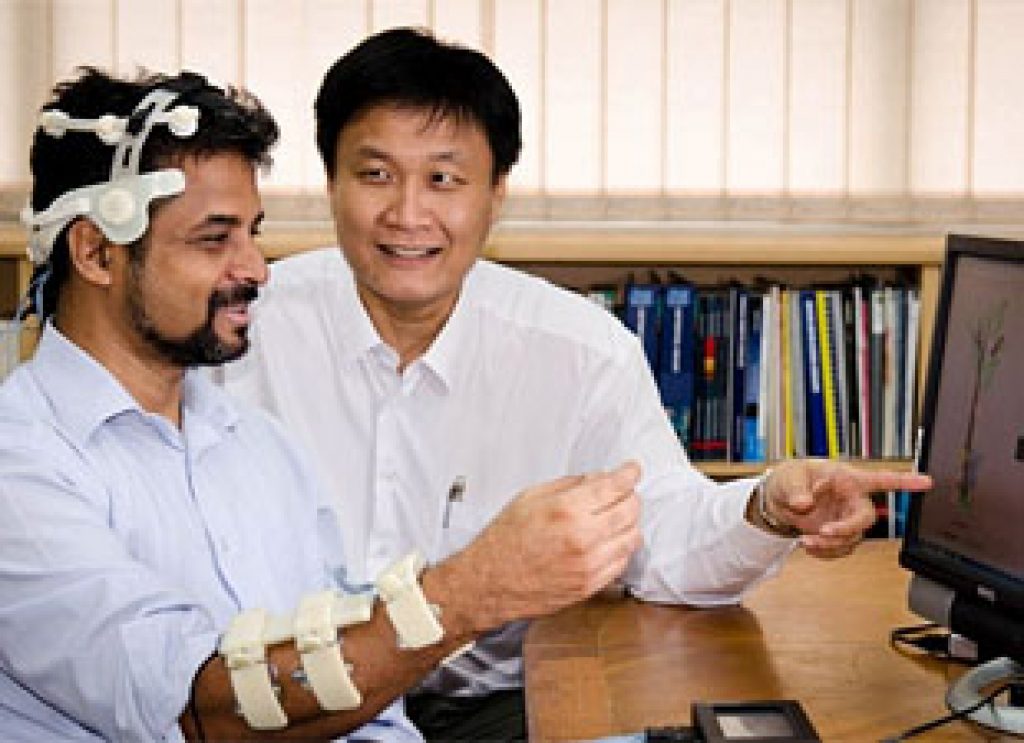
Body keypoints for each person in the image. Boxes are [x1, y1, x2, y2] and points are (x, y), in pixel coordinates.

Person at [213, 26, 933, 743]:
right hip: (286, 713)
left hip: (490, 709)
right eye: (375, 175)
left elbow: (667, 542)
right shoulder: (236, 333)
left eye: (443, 180)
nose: (407, 214)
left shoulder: (579, 351)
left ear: (496, 193)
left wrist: (771, 505)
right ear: (331, 183)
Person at [0, 67, 644, 743]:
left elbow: (352, 684)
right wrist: (473, 591)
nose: (256, 269)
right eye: (215, 239)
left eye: (252, 233)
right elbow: (209, 713)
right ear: (97, 252)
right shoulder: (21, 467)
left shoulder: (255, 443)